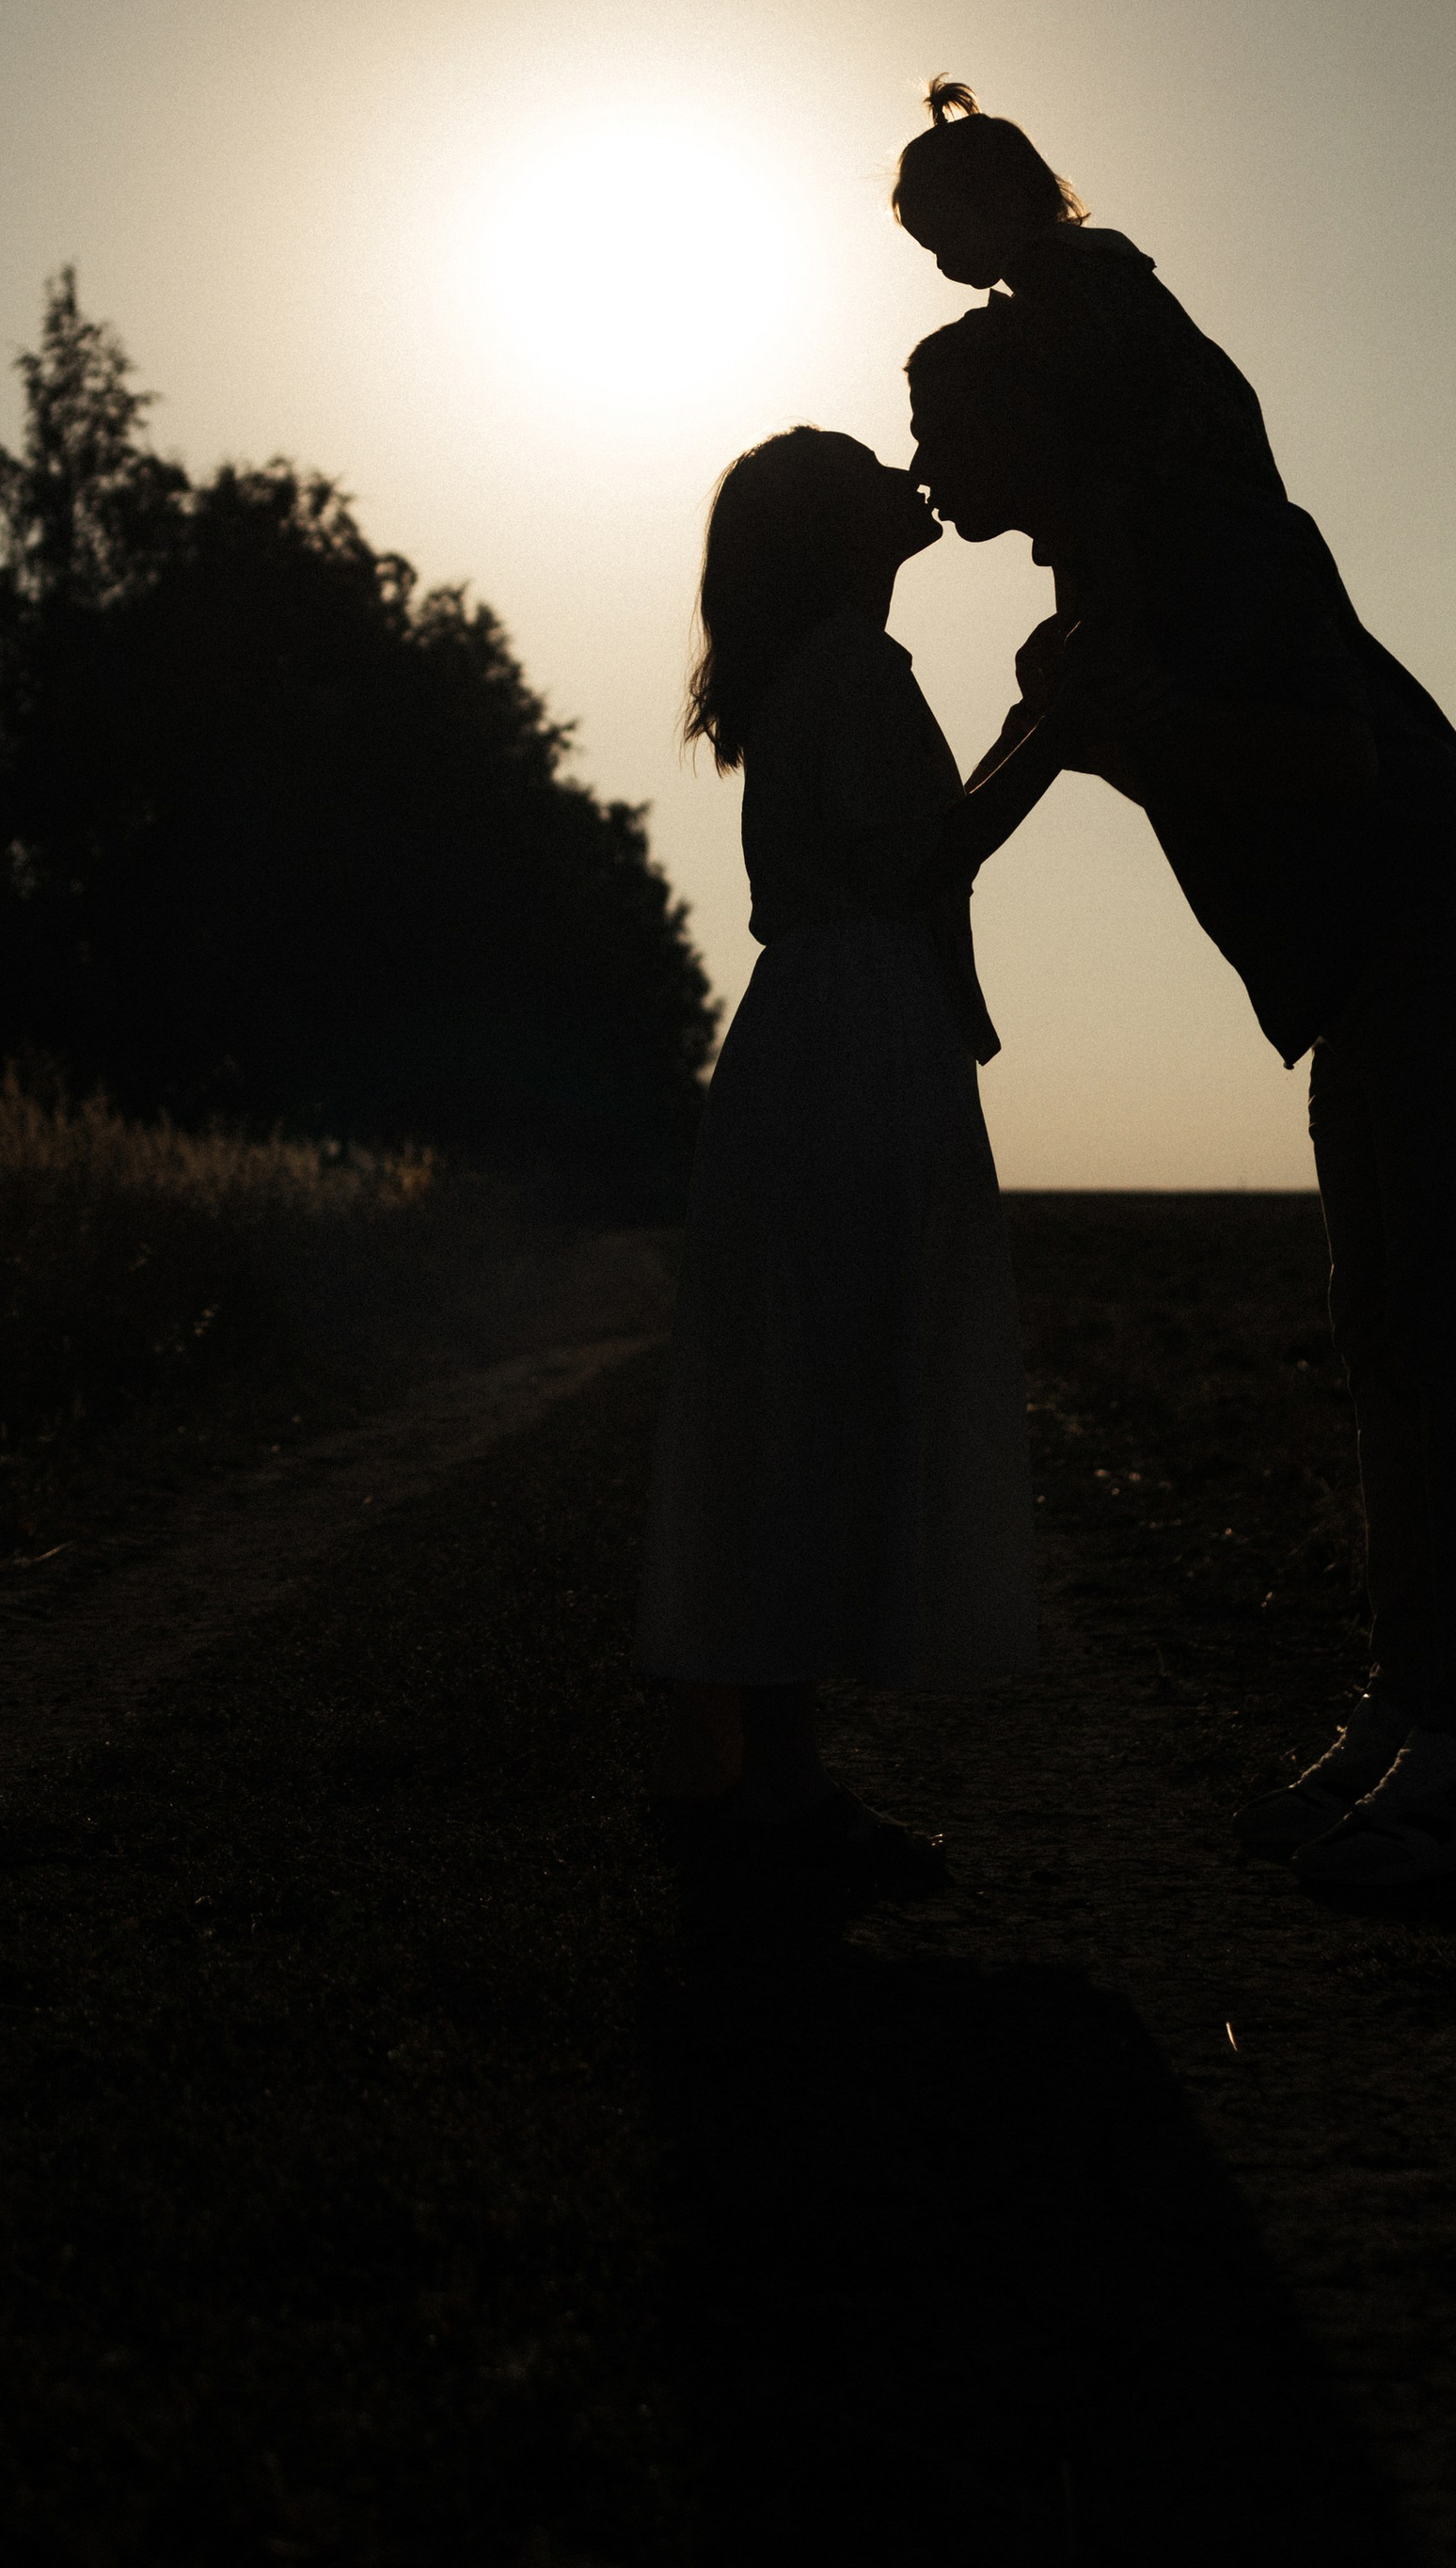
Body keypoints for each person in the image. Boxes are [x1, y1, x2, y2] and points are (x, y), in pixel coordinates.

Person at [905, 305, 1456, 1891]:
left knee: (1450, 1353)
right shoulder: (1102, 597)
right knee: (1393, 1352)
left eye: (945, 421)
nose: (925, 458)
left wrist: (1120, 725)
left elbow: (1335, 757)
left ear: (1039, 419)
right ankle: (1418, 1717)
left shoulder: (1217, 541)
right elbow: (1006, 795)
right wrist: (914, 875)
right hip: (1374, 977)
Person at [637, 424, 1080, 1897]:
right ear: (839, 532)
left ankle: (772, 1786)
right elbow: (916, 859)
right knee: (831, 1388)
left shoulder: (813, 669)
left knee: (798, 1395)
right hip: (858, 1034)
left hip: (819, 1030)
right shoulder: (852, 669)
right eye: (872, 471)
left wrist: (1031, 735)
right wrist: (1056, 740)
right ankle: (782, 1798)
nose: (912, 474)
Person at [893, 74, 1285, 512]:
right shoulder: (1087, 265)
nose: (944, 261)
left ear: (1002, 199)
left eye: (946, 236)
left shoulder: (1060, 272)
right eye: (931, 248)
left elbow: (1098, 390)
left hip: (1192, 490)